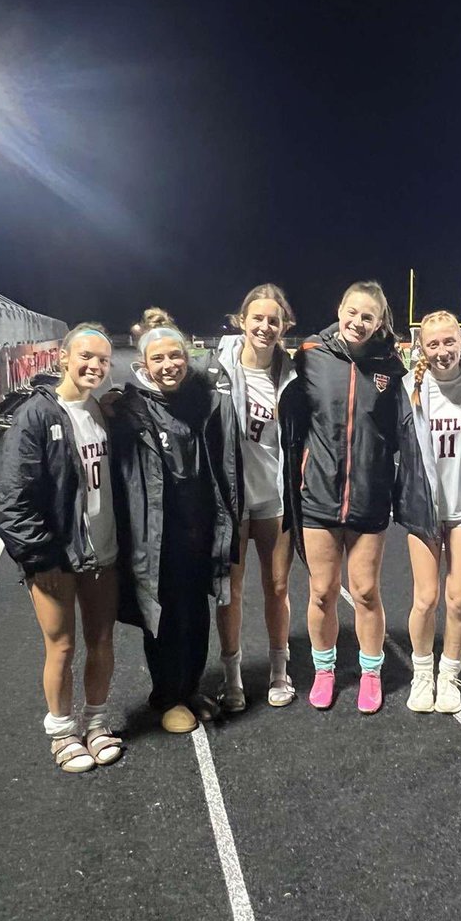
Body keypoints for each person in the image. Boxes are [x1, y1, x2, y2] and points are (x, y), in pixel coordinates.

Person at [0, 323, 122, 773]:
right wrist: (37, 557)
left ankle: (97, 722)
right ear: (64, 358)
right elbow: (13, 496)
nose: (95, 365)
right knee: (62, 646)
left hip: (102, 550)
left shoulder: (105, 411)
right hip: (56, 555)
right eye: (86, 356)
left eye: (103, 360)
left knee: (102, 639)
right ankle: (62, 731)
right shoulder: (36, 415)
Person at [109, 310, 242, 733]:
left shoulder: (203, 400)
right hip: (156, 534)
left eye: (175, 356)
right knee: (163, 616)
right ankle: (167, 695)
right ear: (144, 365)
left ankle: (191, 688)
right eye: (158, 359)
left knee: (196, 613)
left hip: (200, 528)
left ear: (187, 357)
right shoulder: (130, 409)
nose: (169, 366)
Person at [280, 281, 406, 713]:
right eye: (352, 312)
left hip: (370, 497)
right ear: (340, 308)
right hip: (318, 494)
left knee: (367, 591)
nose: (358, 322)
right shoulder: (312, 355)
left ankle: (371, 672)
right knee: (322, 592)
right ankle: (324, 669)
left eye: (368, 317)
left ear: (379, 323)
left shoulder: (391, 365)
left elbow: (399, 428)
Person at [403, 310, 461, 714]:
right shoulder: (410, 387)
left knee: (458, 599)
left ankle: (449, 673)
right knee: (425, 599)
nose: (442, 351)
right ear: (421, 347)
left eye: (448, 342)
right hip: (426, 509)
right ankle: (422, 672)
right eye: (433, 344)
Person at [213, 285, 296, 711]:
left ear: (284, 327)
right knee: (230, 590)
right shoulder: (217, 371)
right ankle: (232, 678)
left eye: (273, 320)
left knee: (277, 587)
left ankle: (279, 672)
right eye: (257, 319)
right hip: (230, 501)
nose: (265, 327)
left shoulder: (293, 377)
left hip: (274, 499)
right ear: (242, 321)